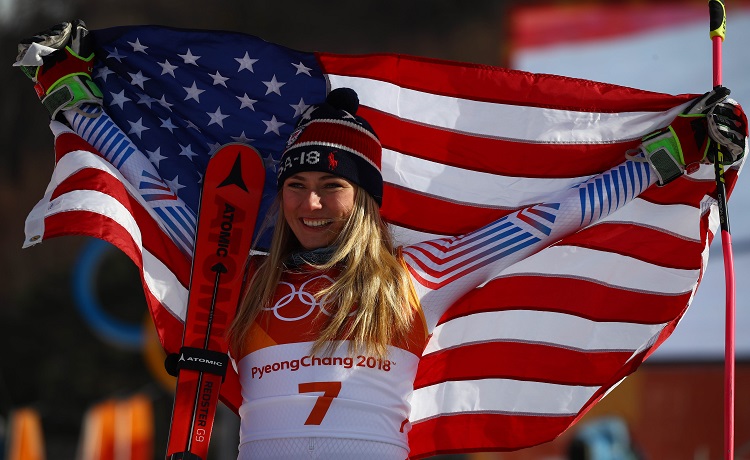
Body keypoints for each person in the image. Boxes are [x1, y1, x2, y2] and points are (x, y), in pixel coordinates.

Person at [16, 20, 748, 460]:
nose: (309, 203)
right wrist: (73, 96)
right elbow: (154, 189)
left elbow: (554, 217)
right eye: (297, 186)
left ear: (363, 202)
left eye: (331, 188)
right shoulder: (240, 270)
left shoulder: (414, 276)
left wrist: (673, 153)